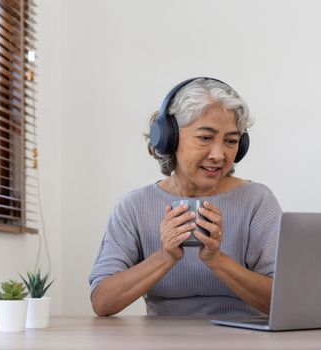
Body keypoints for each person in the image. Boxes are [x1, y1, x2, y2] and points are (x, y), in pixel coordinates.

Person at [89, 77, 282, 316]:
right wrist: (165, 256)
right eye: (205, 138)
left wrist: (217, 260)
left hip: (243, 338)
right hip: (162, 341)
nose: (219, 154)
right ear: (171, 138)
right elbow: (102, 302)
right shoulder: (135, 206)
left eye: (231, 141)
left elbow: (281, 300)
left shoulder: (256, 201)